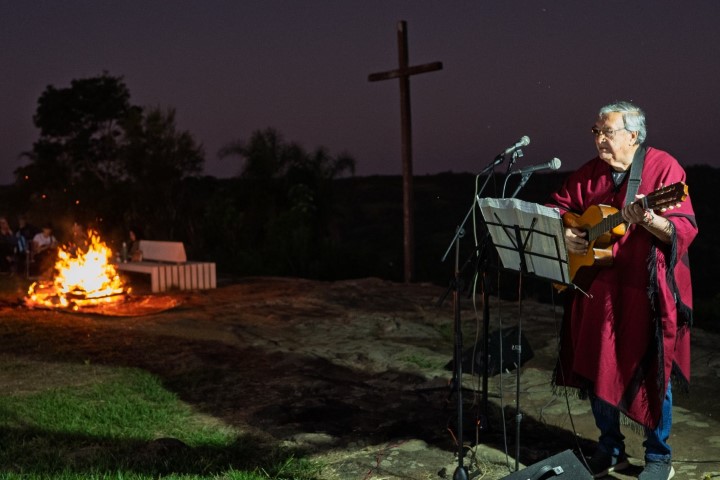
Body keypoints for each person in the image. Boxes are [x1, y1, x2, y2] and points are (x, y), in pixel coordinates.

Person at [547, 101, 696, 480]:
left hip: (644, 291)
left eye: (607, 132)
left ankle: (659, 457)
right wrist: (567, 231)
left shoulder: (663, 168)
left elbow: (683, 228)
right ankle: (611, 450)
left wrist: (648, 217)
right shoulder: (589, 173)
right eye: (595, 131)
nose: (599, 138)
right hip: (597, 290)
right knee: (599, 366)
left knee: (651, 368)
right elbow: (558, 207)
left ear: (633, 135)